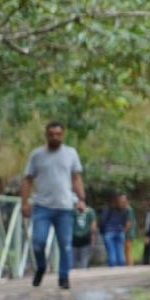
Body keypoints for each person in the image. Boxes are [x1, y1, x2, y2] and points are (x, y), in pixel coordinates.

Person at [20, 122, 86, 289]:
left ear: (62, 135)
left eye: (58, 134)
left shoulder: (71, 153)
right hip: (42, 206)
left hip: (64, 206)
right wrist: (24, 202)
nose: (55, 137)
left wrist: (81, 199)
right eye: (51, 134)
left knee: (65, 244)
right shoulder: (36, 155)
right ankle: (41, 266)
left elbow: (76, 178)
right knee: (38, 242)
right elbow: (27, 179)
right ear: (46, 135)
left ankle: (63, 277)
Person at [100, 193, 132, 268]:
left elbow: (102, 220)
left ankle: (112, 267)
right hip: (120, 231)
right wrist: (123, 230)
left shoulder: (107, 208)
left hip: (109, 231)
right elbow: (126, 222)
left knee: (111, 251)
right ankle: (121, 267)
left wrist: (103, 231)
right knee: (120, 250)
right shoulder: (125, 209)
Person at [71, 201, 98, 270]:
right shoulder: (73, 211)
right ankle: (75, 273)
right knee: (74, 259)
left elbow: (93, 226)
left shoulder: (89, 212)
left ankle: (83, 273)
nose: (80, 205)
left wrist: (93, 238)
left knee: (84, 257)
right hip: (74, 238)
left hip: (85, 238)